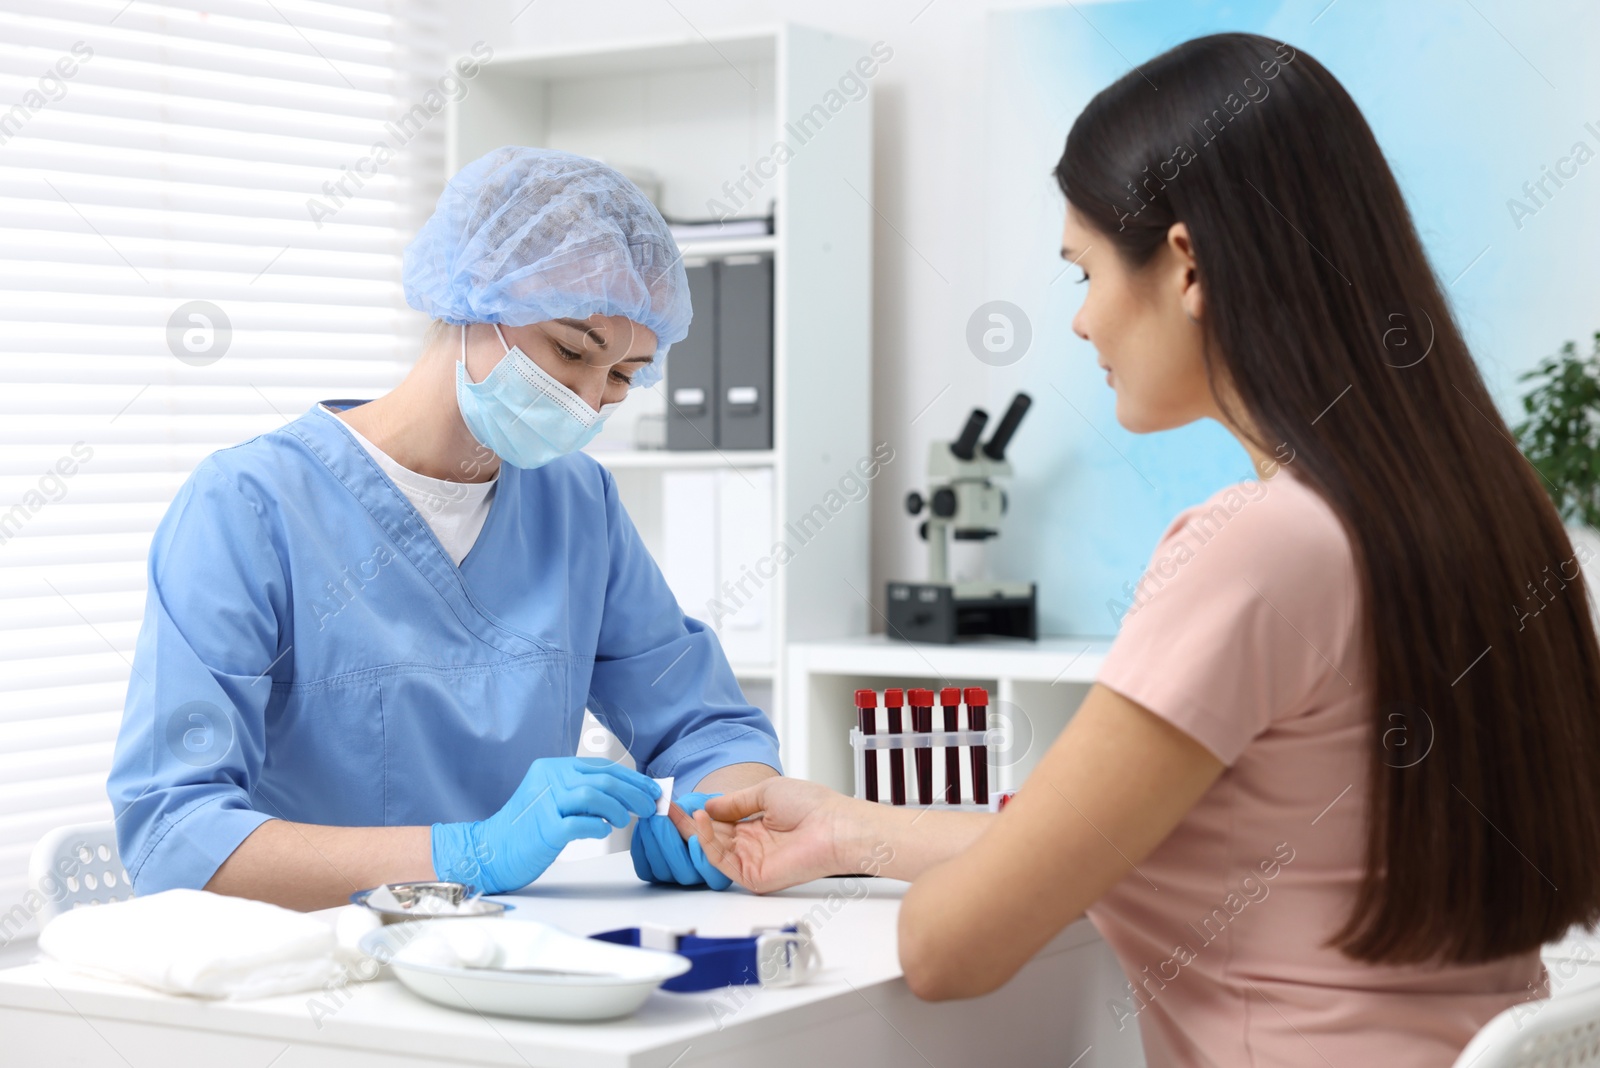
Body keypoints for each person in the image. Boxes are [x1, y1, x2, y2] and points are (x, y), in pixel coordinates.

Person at [678, 33, 1600, 1066]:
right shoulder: (1488, 513)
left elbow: (948, 951)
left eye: (1082, 271)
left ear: (1186, 262)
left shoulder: (1260, 551)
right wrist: (846, 833)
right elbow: (1109, 844)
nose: (1079, 321)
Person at [107, 147, 779, 910]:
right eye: (571, 350)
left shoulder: (576, 505)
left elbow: (709, 727)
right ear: (472, 293)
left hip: (508, 961)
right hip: (309, 974)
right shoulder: (248, 507)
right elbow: (173, 837)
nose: (590, 401)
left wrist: (717, 818)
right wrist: (463, 853)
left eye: (623, 376)